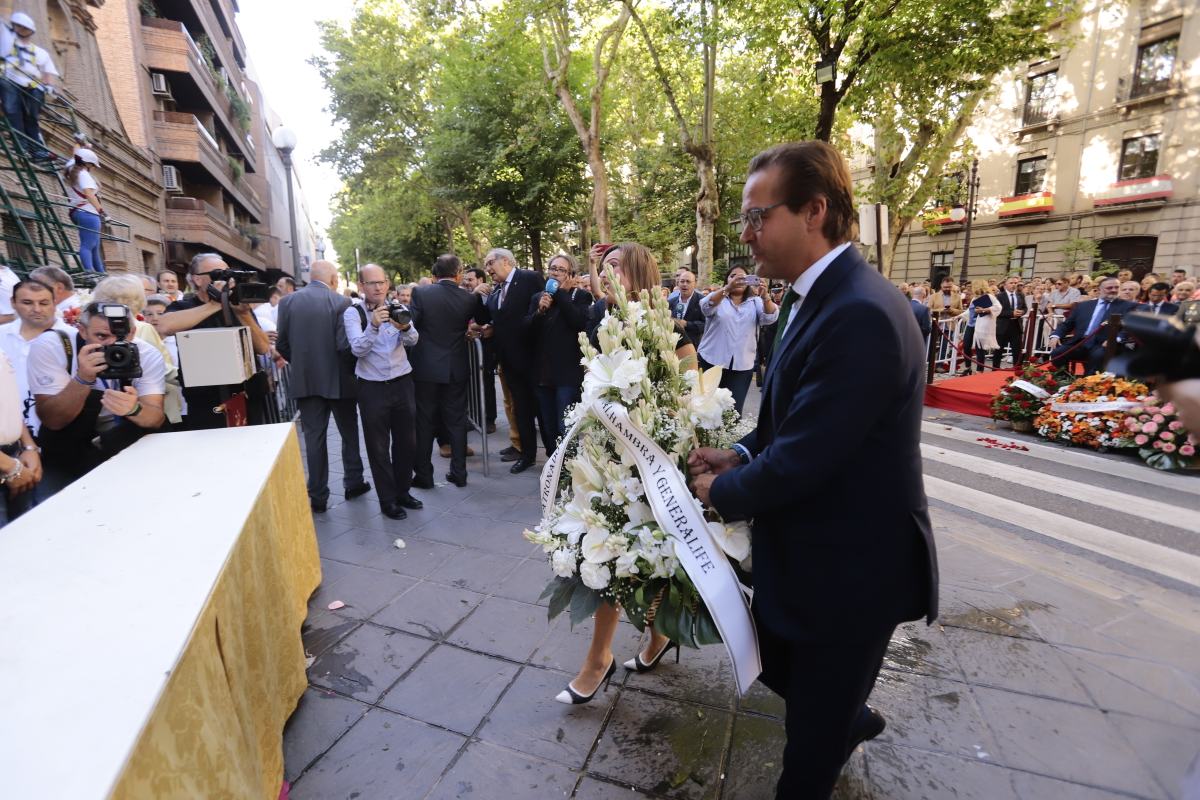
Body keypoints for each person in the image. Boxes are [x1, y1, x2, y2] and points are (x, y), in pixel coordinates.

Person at [687, 141, 937, 799]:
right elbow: (791, 419)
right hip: (815, 556)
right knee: (768, 656)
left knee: (805, 767)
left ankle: (835, 722)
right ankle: (844, 714)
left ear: (814, 211)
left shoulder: (859, 311)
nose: (745, 235)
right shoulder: (812, 295)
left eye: (757, 216)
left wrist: (723, 491)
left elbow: (808, 456)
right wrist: (740, 453)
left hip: (852, 570)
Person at [557, 240, 696, 706]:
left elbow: (688, 400)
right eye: (603, 267)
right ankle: (609, 654)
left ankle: (634, 646)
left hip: (651, 465)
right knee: (607, 559)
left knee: (640, 561)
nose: (606, 273)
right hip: (607, 462)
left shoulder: (673, 332)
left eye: (616, 266)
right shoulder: (602, 324)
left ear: (639, 273)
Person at [30, 301, 166, 497]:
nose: (112, 344)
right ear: (82, 331)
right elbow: (53, 420)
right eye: (102, 336)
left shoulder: (145, 353)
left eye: (121, 335)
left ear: (134, 331)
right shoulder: (55, 346)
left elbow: (155, 419)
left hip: (121, 446)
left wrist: (134, 409)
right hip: (67, 451)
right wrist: (82, 379)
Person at [276, 260, 369, 513]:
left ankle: (318, 495)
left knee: (314, 439)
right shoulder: (342, 302)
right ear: (333, 279)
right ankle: (354, 481)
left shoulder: (287, 302)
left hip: (307, 381)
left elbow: (282, 344)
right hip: (340, 380)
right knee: (349, 433)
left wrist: (304, 364)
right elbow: (345, 345)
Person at [156, 253, 271, 430]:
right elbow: (164, 326)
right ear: (197, 279)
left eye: (228, 274)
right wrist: (215, 303)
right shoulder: (184, 307)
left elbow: (263, 347)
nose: (226, 279)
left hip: (246, 397)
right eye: (218, 274)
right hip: (207, 402)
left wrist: (244, 313)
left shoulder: (237, 307)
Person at [343, 263, 421, 520]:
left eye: (381, 282)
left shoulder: (399, 307)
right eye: (371, 283)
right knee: (378, 447)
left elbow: (413, 341)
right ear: (362, 286)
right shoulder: (354, 313)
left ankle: (403, 492)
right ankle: (388, 500)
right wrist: (374, 325)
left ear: (387, 284)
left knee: (407, 443)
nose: (377, 287)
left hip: (402, 382)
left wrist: (406, 328)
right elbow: (358, 350)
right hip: (371, 387)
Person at [408, 255, 486, 489]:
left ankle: (423, 475)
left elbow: (412, 323)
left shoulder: (421, 293)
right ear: (459, 273)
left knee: (424, 422)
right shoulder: (467, 298)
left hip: (426, 368)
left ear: (435, 274)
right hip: (456, 367)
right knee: (456, 421)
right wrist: (477, 296)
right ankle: (459, 473)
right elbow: (482, 320)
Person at [478, 248, 544, 474]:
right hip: (509, 361)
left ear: (505, 261)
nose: (487, 270)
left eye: (489, 264)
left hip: (533, 359)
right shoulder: (496, 291)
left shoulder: (530, 278)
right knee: (521, 410)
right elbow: (489, 318)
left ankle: (556, 457)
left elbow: (540, 316)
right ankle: (527, 455)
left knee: (542, 411)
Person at [526, 253, 592, 455]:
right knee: (548, 426)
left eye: (561, 270)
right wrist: (539, 312)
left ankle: (569, 469)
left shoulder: (580, 296)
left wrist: (562, 295)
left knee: (566, 426)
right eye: (553, 268)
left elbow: (578, 322)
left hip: (567, 375)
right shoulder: (538, 297)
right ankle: (554, 466)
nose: (555, 273)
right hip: (543, 375)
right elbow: (527, 330)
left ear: (571, 274)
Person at [696, 265, 779, 415]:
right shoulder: (719, 298)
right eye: (733, 276)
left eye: (743, 277)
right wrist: (727, 289)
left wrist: (765, 296)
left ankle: (727, 439)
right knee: (704, 408)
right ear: (727, 280)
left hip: (742, 366)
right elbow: (706, 307)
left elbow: (769, 318)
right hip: (711, 360)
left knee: (732, 412)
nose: (738, 279)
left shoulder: (755, 302)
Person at [1048, 276, 1138, 373]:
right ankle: (1062, 380)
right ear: (1099, 290)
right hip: (1080, 343)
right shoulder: (1084, 305)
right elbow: (1067, 324)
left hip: (1104, 345)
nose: (1114, 290)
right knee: (1057, 352)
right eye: (1109, 288)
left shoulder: (1127, 306)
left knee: (1097, 356)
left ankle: (1088, 384)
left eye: (1116, 287)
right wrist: (1056, 335)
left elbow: (1129, 327)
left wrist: (1115, 339)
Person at [1, 12, 59, 160]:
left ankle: (37, 151)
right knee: (13, 113)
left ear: (30, 31)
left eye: (24, 28)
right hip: (9, 81)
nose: (21, 30)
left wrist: (49, 85)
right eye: (18, 26)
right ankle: (22, 147)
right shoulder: (6, 43)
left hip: (31, 85)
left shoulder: (40, 53)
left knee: (31, 118)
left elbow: (48, 72)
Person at [461, 267, 496, 433]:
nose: (466, 283)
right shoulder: (467, 296)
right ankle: (474, 416)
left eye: (470, 280)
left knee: (486, 382)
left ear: (480, 281)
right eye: (465, 280)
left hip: (487, 346)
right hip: (470, 346)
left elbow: (491, 318)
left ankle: (489, 419)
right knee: (471, 381)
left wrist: (479, 326)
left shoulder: (491, 295)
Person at [64, 149, 106, 274]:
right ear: (87, 164)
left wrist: (83, 145)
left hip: (78, 212)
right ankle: (90, 272)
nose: (93, 168)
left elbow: (76, 155)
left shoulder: (71, 169)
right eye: (92, 165)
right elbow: (89, 194)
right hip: (88, 212)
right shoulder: (83, 174)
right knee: (88, 245)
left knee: (94, 247)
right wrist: (101, 210)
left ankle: (100, 272)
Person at [993, 275, 1028, 369]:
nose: (1013, 285)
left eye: (1015, 283)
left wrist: (1022, 312)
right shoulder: (999, 296)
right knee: (999, 350)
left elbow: (1025, 308)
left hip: (1016, 325)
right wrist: (1011, 313)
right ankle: (995, 369)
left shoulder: (1020, 295)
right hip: (1003, 326)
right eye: (1011, 283)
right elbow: (997, 311)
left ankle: (1017, 369)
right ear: (1005, 285)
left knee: (1017, 350)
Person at [967, 279, 999, 369]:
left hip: (983, 324)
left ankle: (979, 369)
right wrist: (958, 317)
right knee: (967, 345)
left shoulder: (989, 296)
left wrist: (984, 310)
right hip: (972, 324)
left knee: (980, 347)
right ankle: (968, 367)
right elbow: (970, 311)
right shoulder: (974, 298)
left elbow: (998, 307)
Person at [670, 268, 706, 349]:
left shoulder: (702, 301)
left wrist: (686, 324)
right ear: (678, 283)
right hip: (673, 346)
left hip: (694, 346)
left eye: (688, 281)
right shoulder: (671, 302)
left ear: (695, 284)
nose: (684, 284)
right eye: (682, 281)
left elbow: (706, 324)